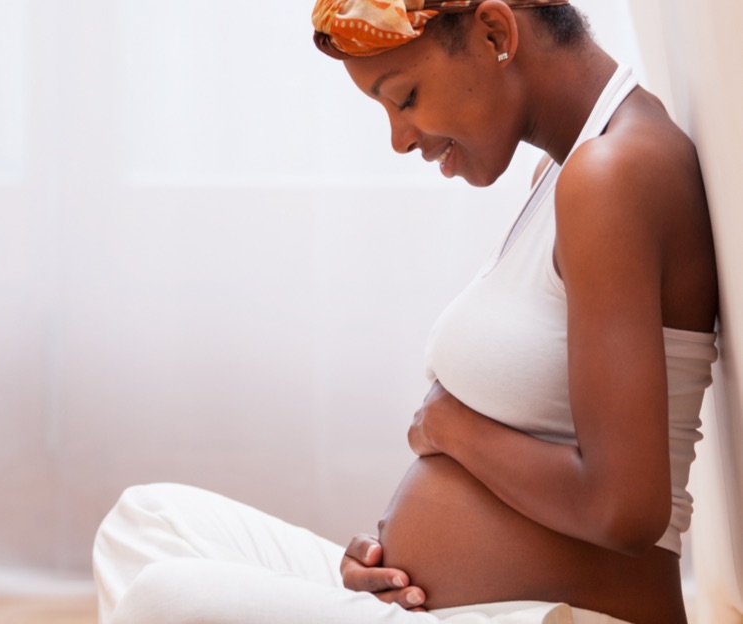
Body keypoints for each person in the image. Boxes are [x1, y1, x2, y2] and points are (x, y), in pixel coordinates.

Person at [92, 2, 718, 623]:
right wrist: (399, 556)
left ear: (496, 32)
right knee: (147, 521)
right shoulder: (561, 173)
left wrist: (452, 429)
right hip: (457, 608)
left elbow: (625, 511)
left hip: (561, 616)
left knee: (162, 599)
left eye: (406, 96)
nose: (399, 138)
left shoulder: (612, 174)